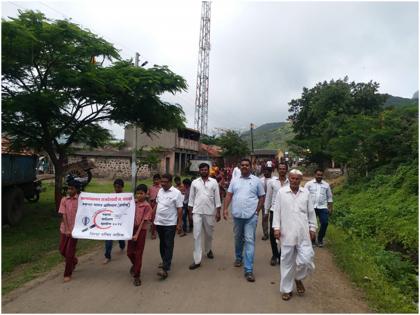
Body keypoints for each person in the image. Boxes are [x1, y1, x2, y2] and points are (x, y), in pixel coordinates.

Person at [272, 169, 317, 301]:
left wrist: (312, 228)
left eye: (297, 179)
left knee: (307, 259)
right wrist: (276, 228)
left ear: (301, 180)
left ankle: (298, 278)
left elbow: (311, 212)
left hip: (303, 233)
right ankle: (286, 289)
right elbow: (277, 211)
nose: (294, 181)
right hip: (287, 233)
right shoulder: (282, 192)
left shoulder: (306, 193)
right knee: (286, 262)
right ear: (289, 178)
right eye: (292, 178)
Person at [223, 158, 265, 282]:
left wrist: (257, 211)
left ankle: (248, 270)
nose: (245, 167)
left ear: (251, 167)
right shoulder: (234, 181)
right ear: (240, 167)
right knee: (237, 239)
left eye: (247, 165)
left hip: (251, 216)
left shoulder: (256, 181)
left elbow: (262, 197)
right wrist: (225, 209)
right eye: (243, 165)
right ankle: (238, 257)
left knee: (249, 240)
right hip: (237, 215)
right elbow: (229, 195)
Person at [188, 163, 222, 270]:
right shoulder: (194, 182)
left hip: (209, 212)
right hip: (197, 211)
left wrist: (218, 211)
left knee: (209, 234)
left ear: (208, 171)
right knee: (196, 235)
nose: (203, 171)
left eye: (205, 170)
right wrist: (190, 212)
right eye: (202, 170)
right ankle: (197, 260)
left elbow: (217, 197)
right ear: (199, 171)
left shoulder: (214, 182)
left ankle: (208, 250)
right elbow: (191, 198)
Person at [154, 174, 183, 279]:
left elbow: (180, 208)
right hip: (159, 222)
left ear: (170, 182)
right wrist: (152, 217)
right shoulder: (160, 191)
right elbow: (157, 205)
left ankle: (165, 268)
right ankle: (164, 260)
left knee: (169, 244)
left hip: (170, 223)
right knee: (162, 243)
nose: (163, 183)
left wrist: (179, 224)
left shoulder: (177, 193)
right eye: (162, 181)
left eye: (165, 182)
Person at [264, 162, 289, 266]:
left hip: (287, 211)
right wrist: (266, 211)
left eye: (284, 168)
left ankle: (282, 254)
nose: (282, 170)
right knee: (273, 234)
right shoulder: (272, 182)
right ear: (277, 170)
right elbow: (268, 197)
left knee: (285, 234)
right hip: (274, 210)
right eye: (280, 168)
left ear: (286, 170)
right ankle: (274, 255)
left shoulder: (290, 182)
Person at [127, 184, 152, 286]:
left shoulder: (147, 206)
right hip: (131, 229)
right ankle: (135, 265)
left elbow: (143, 222)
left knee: (138, 253)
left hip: (141, 231)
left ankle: (137, 276)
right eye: (137, 193)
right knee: (129, 252)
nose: (139, 195)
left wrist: (137, 234)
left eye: (141, 193)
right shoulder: (133, 203)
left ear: (146, 194)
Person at [304, 168, 333, 247]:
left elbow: (329, 197)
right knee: (311, 224)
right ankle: (312, 240)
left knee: (325, 223)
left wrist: (330, 208)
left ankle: (320, 239)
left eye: (321, 175)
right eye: (318, 175)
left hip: (323, 207)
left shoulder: (326, 185)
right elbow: (304, 196)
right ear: (315, 175)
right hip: (311, 207)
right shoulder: (309, 184)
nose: (319, 176)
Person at [58, 180, 80, 283]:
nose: (69, 190)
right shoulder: (64, 200)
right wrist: (67, 229)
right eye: (68, 188)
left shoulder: (81, 200)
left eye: (72, 188)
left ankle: (67, 273)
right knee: (62, 250)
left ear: (77, 189)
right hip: (64, 229)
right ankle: (74, 261)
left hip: (75, 231)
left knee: (69, 253)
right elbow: (63, 214)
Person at [103, 179, 126, 264]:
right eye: (115, 187)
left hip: (121, 221)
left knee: (120, 237)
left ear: (122, 187)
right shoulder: (111, 196)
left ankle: (122, 245)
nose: (117, 189)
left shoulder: (126, 196)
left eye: (119, 187)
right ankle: (107, 256)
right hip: (111, 220)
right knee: (108, 239)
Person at [259, 167, 275, 241]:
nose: (265, 173)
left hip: (273, 202)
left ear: (270, 172)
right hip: (263, 202)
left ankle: (274, 233)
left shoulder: (274, 180)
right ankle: (265, 233)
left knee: (273, 219)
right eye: (264, 171)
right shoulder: (260, 180)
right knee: (264, 218)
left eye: (267, 172)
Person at [148, 174, 161, 239]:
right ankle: (153, 231)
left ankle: (154, 231)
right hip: (151, 203)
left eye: (157, 179)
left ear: (160, 180)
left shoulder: (161, 188)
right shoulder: (150, 187)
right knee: (152, 218)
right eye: (155, 179)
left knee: (156, 217)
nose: (156, 181)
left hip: (159, 204)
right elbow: (147, 195)